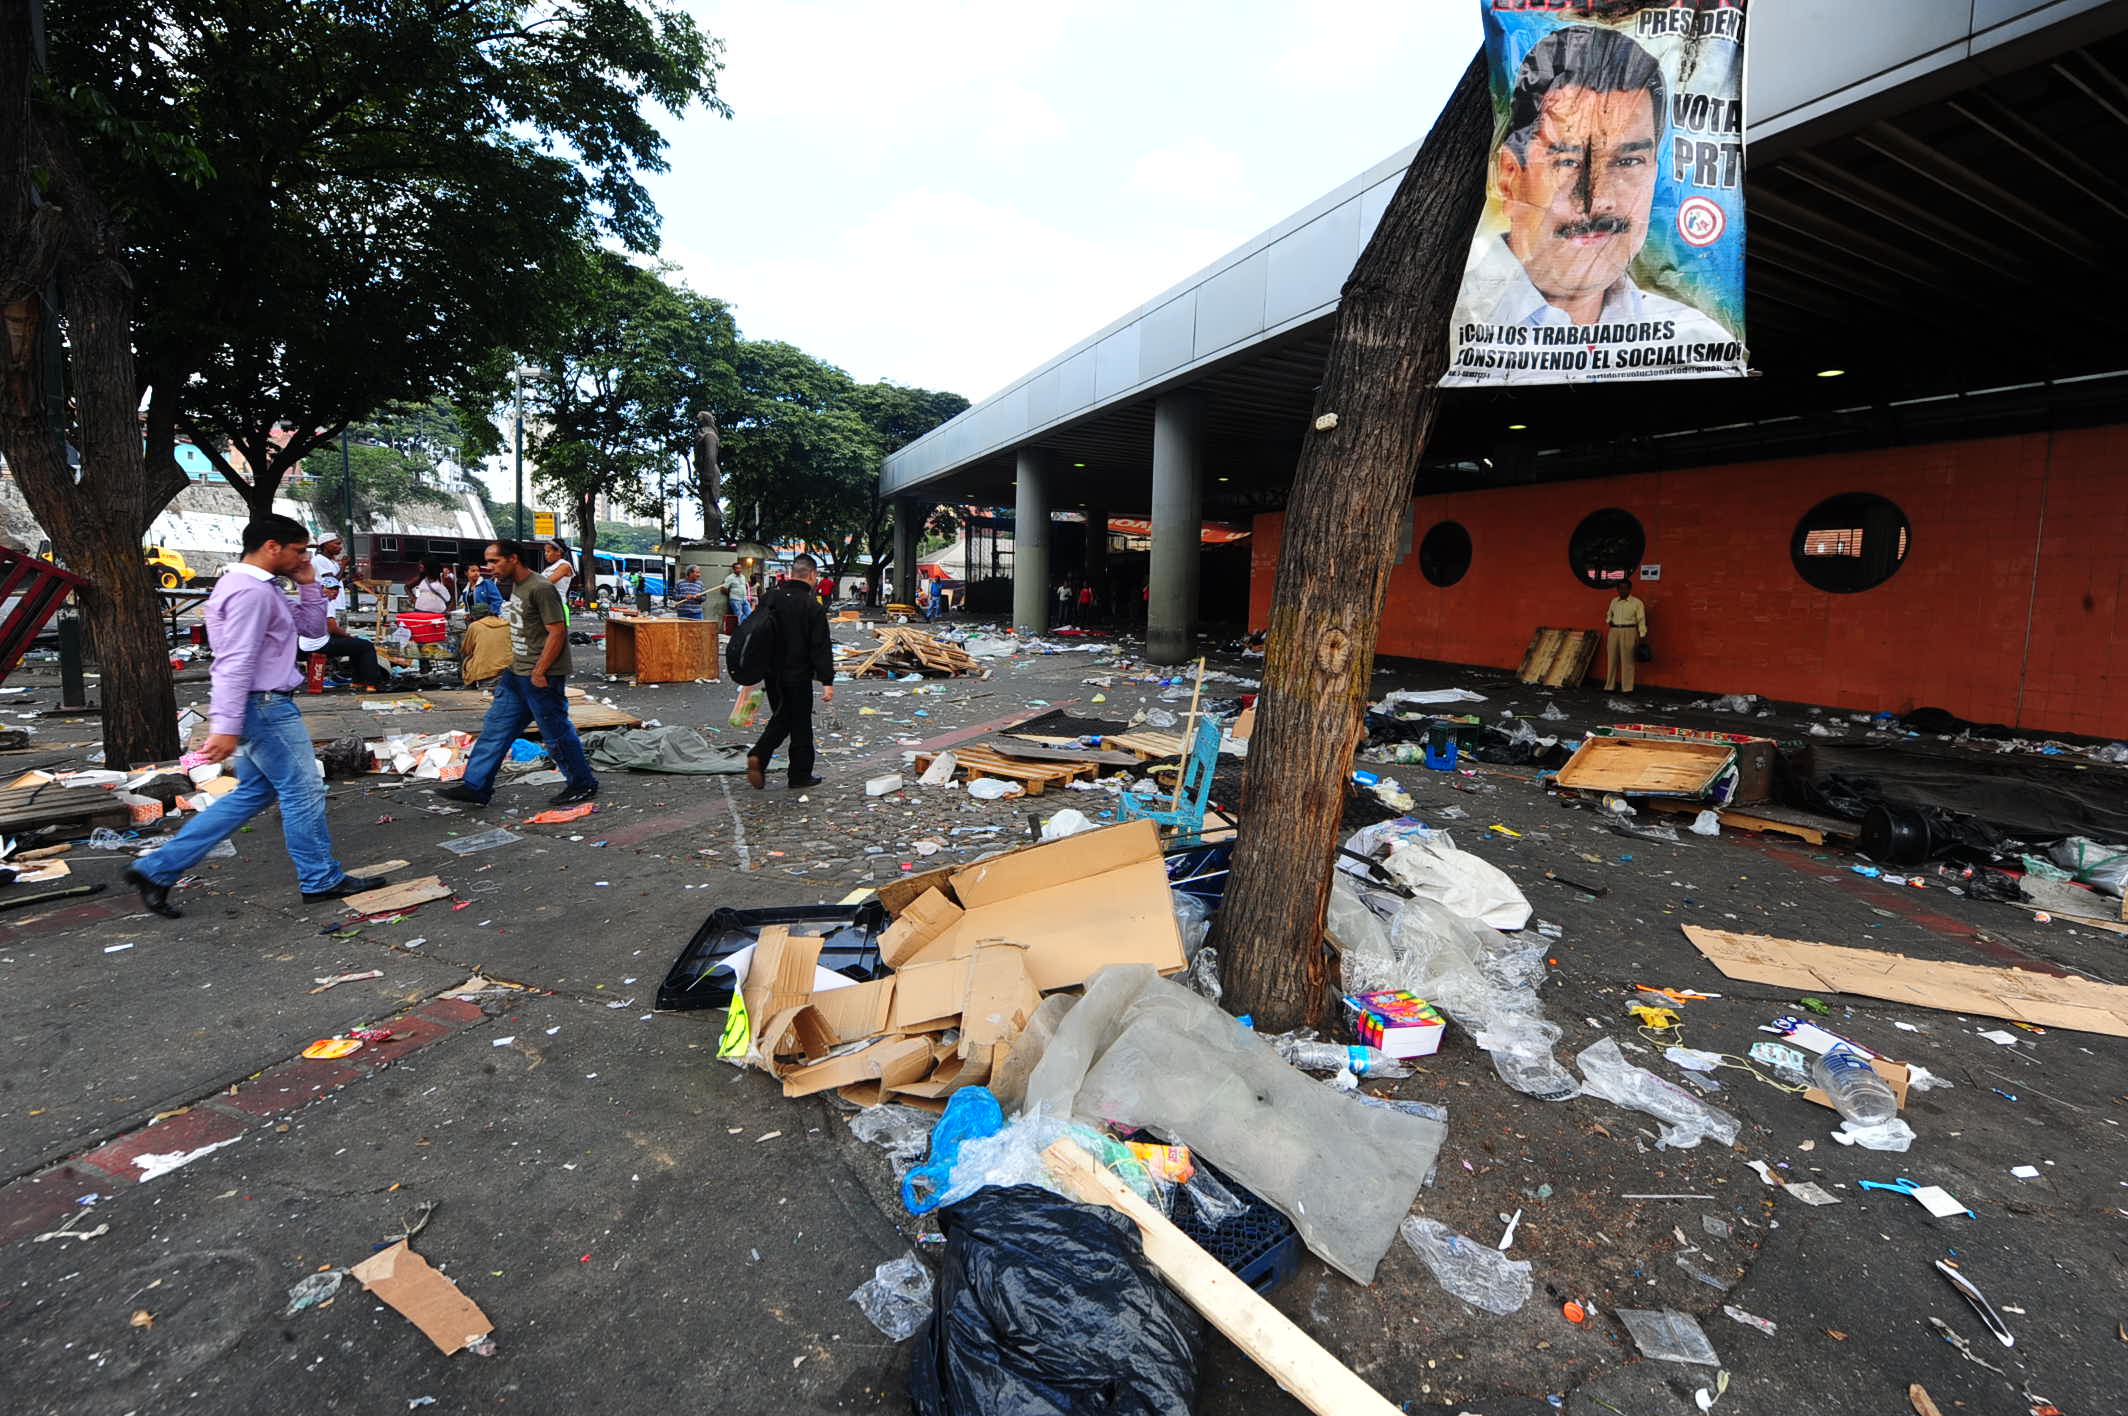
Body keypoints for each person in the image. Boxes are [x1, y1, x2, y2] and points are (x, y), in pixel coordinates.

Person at [124, 516, 391, 917]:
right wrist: (226, 726)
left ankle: (156, 869)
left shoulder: (258, 588)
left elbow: (312, 634)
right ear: (272, 546)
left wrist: (308, 586)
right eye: (299, 551)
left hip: (262, 703)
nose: (305, 558)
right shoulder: (249, 592)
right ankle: (320, 879)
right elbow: (235, 661)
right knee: (303, 792)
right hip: (264, 706)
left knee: (255, 792)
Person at [1445, 24, 1734, 376]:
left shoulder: (1696, 345)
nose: (1598, 199)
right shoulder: (1451, 327)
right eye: (1567, 162)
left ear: (1654, 170)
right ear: (1510, 177)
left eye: (1628, 161)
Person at [435, 539, 599, 808]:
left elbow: (557, 632)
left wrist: (539, 671)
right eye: (487, 562)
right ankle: (476, 786)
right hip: (516, 672)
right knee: (495, 729)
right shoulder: (517, 586)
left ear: (513, 559)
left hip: (540, 675)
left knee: (555, 732)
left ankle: (582, 783)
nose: (489, 568)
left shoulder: (540, 588)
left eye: (494, 561)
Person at [745, 553, 836, 791]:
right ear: (813, 575)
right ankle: (786, 767)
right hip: (797, 674)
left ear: (792, 574)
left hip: (771, 672)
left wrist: (751, 669)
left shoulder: (770, 598)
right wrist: (827, 680)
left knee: (783, 717)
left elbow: (754, 632)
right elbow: (820, 646)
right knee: (799, 721)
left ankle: (773, 762)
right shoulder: (811, 606)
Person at [302, 530, 391, 690]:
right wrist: (343, 566)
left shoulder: (332, 563)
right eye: (336, 544)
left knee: (352, 644)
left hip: (338, 607)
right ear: (324, 545)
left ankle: (357, 681)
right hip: (331, 611)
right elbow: (332, 581)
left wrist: (351, 579)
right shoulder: (319, 561)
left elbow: (339, 583)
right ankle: (369, 682)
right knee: (356, 644)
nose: (339, 547)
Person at [1602, 578, 1648, 694]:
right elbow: (1609, 614)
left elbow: (1641, 619)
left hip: (1629, 630)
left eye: (1625, 588)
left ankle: (1627, 688)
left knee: (1628, 661)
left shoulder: (1637, 603)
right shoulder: (1614, 601)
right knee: (1611, 659)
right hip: (1614, 631)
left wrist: (1642, 635)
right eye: (1620, 588)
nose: (1622, 590)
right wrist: (1609, 621)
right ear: (1617, 589)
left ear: (1629, 589)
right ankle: (1609, 686)